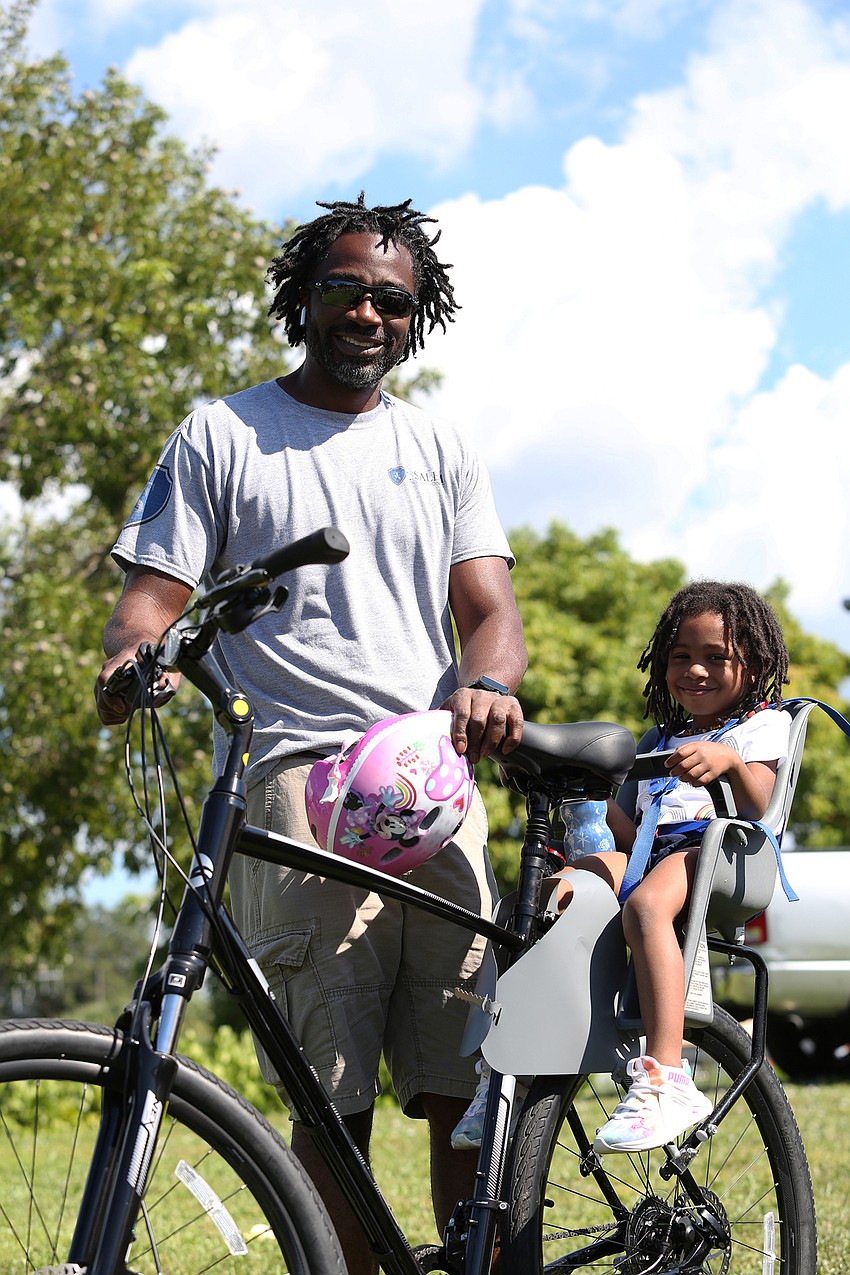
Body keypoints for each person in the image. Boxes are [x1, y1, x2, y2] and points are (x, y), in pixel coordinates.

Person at [94, 194, 528, 1273]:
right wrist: (127, 661)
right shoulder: (224, 432)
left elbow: (489, 614)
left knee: (460, 1081)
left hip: (434, 786)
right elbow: (152, 598)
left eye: (392, 299)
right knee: (326, 1093)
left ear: (413, 316)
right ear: (305, 296)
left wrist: (487, 685)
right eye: (346, 289)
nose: (368, 313)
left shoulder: (436, 444)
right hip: (295, 783)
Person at [451, 580, 791, 1155]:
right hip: (652, 853)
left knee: (647, 904)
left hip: (721, 851)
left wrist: (729, 763)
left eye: (715, 657)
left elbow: (760, 805)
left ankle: (667, 1078)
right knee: (540, 898)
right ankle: (502, 1072)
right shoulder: (661, 737)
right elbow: (631, 833)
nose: (695, 670)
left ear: (754, 665)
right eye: (681, 656)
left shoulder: (761, 727)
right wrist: (590, 794)